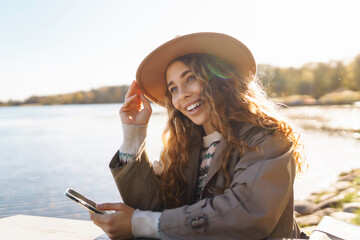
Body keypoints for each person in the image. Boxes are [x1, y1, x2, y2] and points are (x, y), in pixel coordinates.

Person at [90, 32, 307, 239]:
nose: (182, 94)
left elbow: (247, 212)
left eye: (191, 78)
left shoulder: (268, 138)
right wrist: (134, 136)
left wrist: (140, 223)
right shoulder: (184, 148)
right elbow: (154, 209)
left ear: (222, 79)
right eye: (173, 89)